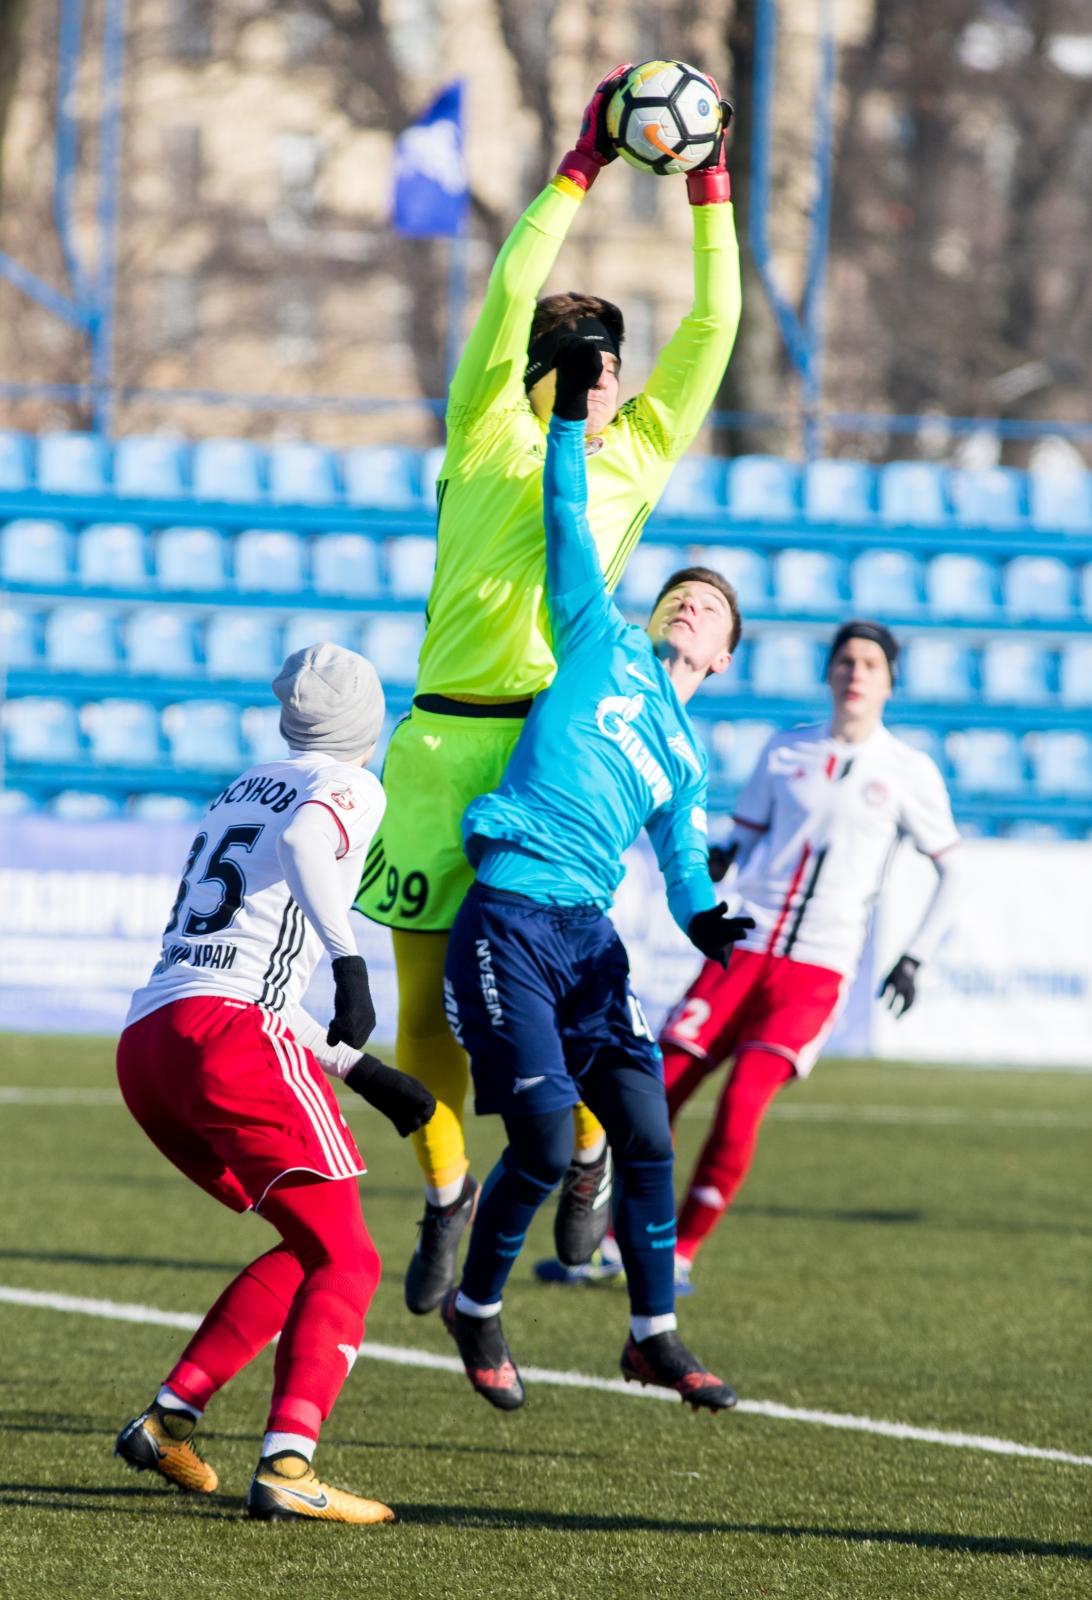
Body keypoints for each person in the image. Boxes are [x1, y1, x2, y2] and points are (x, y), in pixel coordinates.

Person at [354, 64, 741, 1317]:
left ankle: (576, 1151)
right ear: (544, 365)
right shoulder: (485, 431)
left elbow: (715, 330)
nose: (611, 378)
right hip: (435, 746)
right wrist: (578, 163)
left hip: (551, 758)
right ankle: (446, 1183)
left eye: (615, 360)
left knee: (558, 1003)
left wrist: (707, 191)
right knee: (425, 1005)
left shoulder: (629, 459)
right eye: (588, 358)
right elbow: (512, 287)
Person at [439, 339, 754, 1412]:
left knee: (649, 1131)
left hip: (586, 942)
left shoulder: (685, 756)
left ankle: (651, 1333)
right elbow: (568, 520)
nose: (686, 605)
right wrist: (570, 422)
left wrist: (706, 919)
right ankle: (475, 1305)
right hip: (509, 918)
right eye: (678, 592)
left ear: (722, 657)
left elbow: (679, 857)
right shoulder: (595, 637)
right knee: (535, 1136)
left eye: (708, 608)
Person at [113, 643, 434, 1524]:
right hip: (230, 1039)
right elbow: (303, 846)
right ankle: (289, 1464)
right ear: (365, 723)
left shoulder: (239, 787)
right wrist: (352, 963)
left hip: (151, 1041)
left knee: (309, 1246)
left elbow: (238, 962)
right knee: (352, 1257)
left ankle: (169, 1417)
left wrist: (360, 1071)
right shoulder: (348, 785)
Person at [659, 621, 962, 1291]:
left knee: (742, 1102)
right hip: (742, 948)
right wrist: (715, 861)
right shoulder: (786, 747)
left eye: (871, 665)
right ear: (828, 672)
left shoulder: (909, 771)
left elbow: (953, 871)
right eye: (846, 661)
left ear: (889, 682)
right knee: (658, 1090)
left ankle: (679, 1252)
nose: (856, 673)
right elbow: (745, 837)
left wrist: (913, 957)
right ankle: (622, 1244)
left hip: (817, 972)